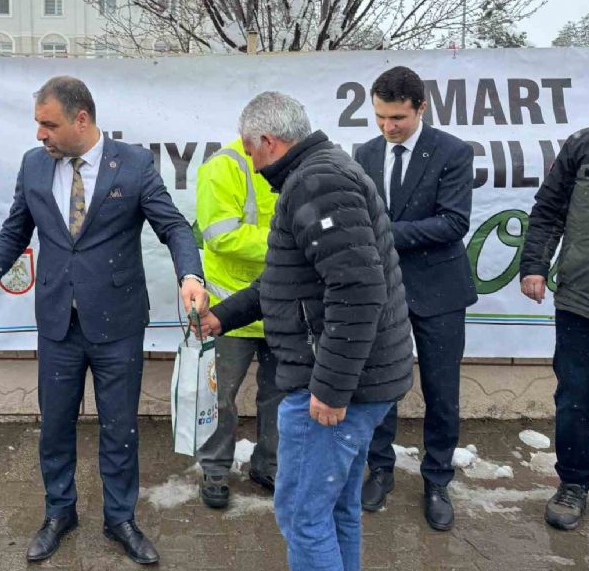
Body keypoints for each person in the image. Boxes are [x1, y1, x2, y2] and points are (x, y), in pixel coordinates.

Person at [0, 76, 207, 565]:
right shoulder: (34, 167)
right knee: (55, 426)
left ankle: (120, 518)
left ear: (81, 119)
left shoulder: (134, 164)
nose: (40, 135)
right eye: (38, 124)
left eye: (49, 124)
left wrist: (190, 274)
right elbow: (12, 233)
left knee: (120, 427)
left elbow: (172, 226)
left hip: (117, 323)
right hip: (58, 323)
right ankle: (59, 512)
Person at [196, 91, 413, 571]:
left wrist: (332, 390)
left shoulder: (316, 182)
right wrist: (222, 315)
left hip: (338, 388)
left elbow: (358, 290)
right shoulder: (319, 172)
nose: (251, 165)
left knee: (303, 514)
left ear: (269, 141)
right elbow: (286, 278)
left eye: (252, 152)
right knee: (335, 508)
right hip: (360, 380)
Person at [354, 66, 477, 531]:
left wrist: (382, 233)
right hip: (381, 289)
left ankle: (437, 479)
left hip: (440, 290)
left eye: (398, 118)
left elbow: (453, 223)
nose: (388, 127)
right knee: (379, 386)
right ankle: (380, 468)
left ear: (420, 108)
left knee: (442, 392)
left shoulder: (452, 152)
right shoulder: (364, 153)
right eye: (381, 117)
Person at [194, 137, 284, 508]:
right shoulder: (223, 166)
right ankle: (215, 470)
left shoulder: (297, 164)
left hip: (283, 302)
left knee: (281, 397)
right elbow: (220, 235)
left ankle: (270, 466)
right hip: (229, 309)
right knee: (219, 397)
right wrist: (288, 241)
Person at [519, 124, 589, 531]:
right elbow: (549, 210)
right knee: (575, 400)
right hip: (582, 303)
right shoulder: (584, 146)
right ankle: (573, 482)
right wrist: (534, 265)